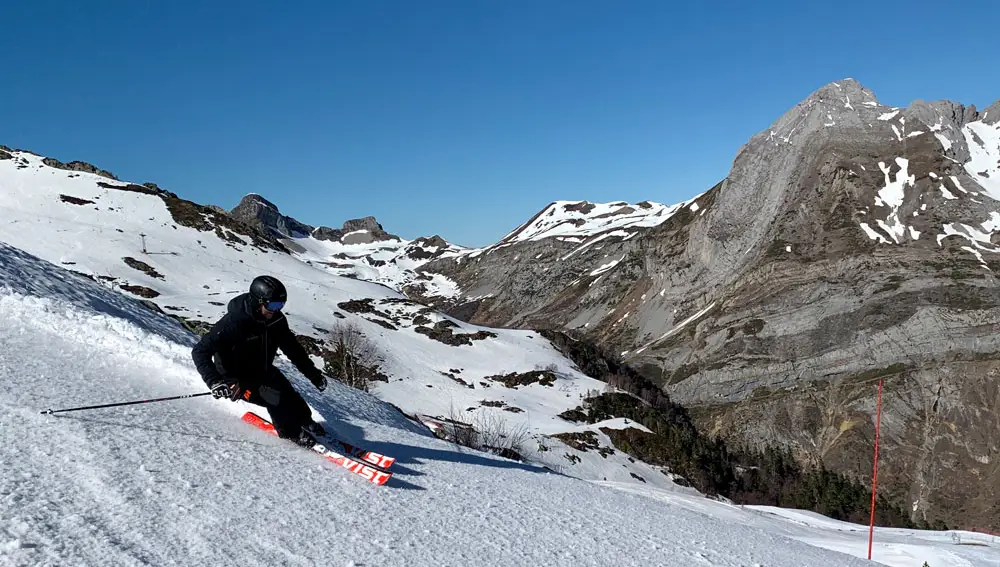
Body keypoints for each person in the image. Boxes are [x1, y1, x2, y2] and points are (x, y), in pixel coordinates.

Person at [192, 275, 328, 446]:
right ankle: (292, 433)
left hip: (261, 370)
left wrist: (313, 375)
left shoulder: (276, 320)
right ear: (258, 301)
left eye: (280, 305)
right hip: (237, 379)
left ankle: (304, 420)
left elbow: (293, 350)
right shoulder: (234, 323)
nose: (276, 310)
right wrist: (215, 381)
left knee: (291, 395)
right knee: (276, 399)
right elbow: (199, 351)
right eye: (272, 305)